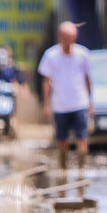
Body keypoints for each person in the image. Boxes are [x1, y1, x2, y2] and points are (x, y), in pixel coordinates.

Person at [38, 21, 94, 172]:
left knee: (82, 139)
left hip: (79, 103)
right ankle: (64, 171)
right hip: (60, 104)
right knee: (62, 141)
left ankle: (81, 171)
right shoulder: (51, 55)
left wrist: (90, 102)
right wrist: (47, 105)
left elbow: (88, 79)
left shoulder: (83, 54)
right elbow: (46, 81)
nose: (69, 41)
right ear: (59, 37)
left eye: (72, 37)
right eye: (66, 37)